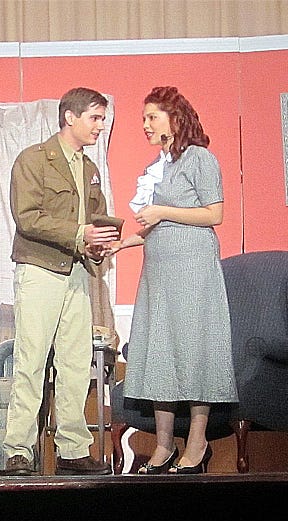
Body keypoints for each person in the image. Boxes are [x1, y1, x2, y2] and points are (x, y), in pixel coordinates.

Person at [110, 86, 238, 474]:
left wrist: (162, 210)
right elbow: (158, 223)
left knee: (193, 349)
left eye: (152, 117)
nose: (145, 125)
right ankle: (163, 445)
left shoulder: (200, 158)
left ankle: (197, 444)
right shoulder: (161, 164)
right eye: (144, 118)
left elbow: (214, 214)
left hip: (192, 270)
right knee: (161, 352)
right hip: (159, 274)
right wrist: (125, 242)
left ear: (175, 119)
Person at [3, 87, 121, 476]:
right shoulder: (34, 159)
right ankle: (19, 450)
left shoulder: (89, 169)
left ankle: (72, 449)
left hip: (77, 273)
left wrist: (99, 245)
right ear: (70, 117)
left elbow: (96, 220)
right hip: (40, 270)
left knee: (74, 364)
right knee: (32, 361)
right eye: (95, 118)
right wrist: (79, 234)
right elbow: (28, 217)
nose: (100, 126)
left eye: (102, 119)